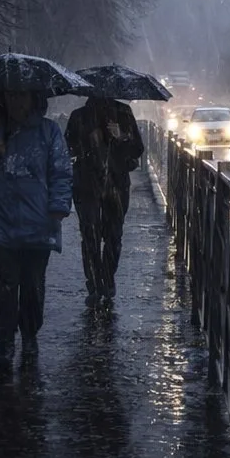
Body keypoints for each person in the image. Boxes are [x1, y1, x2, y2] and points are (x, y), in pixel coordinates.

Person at [0, 89, 72, 368]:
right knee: (5, 283)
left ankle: (30, 335)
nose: (17, 101)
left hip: (38, 221)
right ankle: (5, 341)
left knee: (32, 284)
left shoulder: (48, 131)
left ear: (34, 99)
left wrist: (58, 205)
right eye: (11, 95)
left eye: (23, 95)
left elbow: (60, 171)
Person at [66, 96, 143, 307]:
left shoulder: (123, 113)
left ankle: (107, 280)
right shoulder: (79, 116)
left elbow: (138, 148)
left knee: (113, 235)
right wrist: (88, 142)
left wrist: (122, 137)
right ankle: (93, 285)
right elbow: (67, 147)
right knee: (90, 234)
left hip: (116, 185)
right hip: (86, 185)